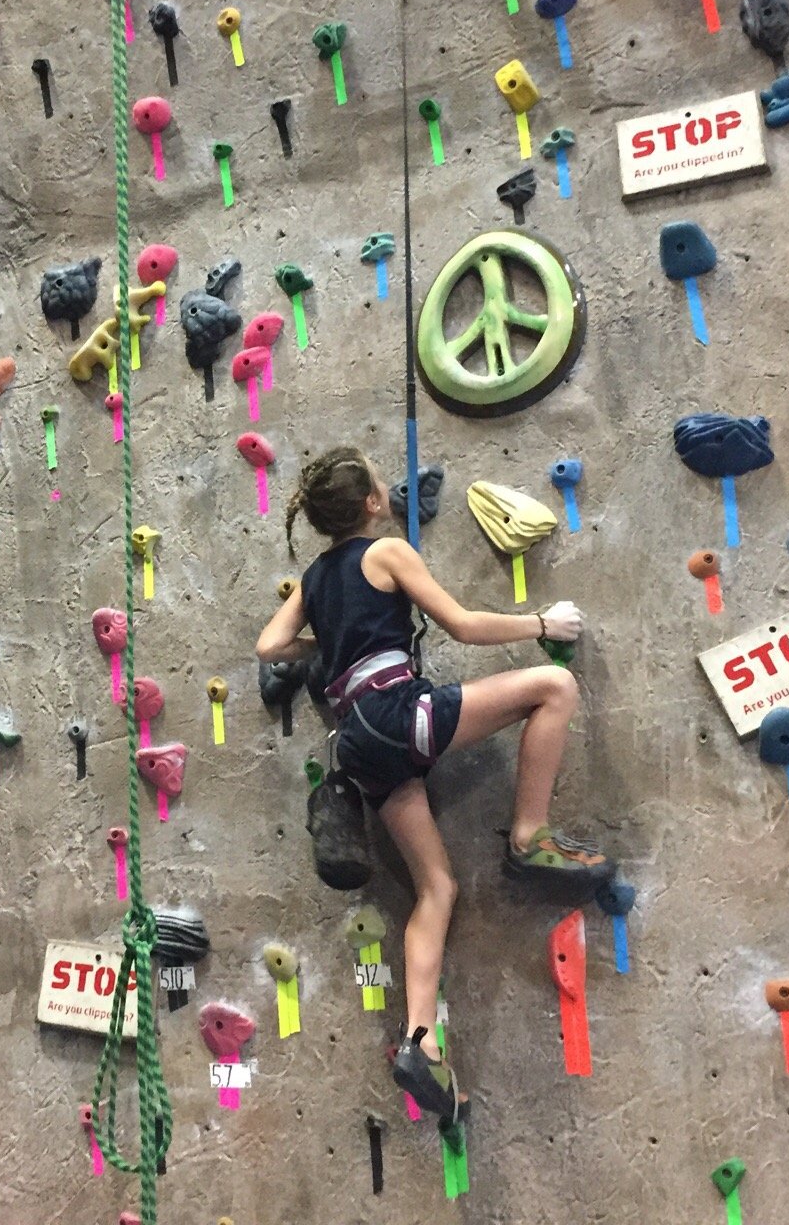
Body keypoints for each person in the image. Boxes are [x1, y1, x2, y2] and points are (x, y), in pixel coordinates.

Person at [255, 447, 610, 1125]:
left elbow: (270, 644)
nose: (388, 487)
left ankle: (420, 1044)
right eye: (377, 480)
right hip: (397, 711)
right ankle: (530, 837)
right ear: (368, 504)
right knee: (554, 685)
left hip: (359, 742)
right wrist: (543, 624)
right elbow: (463, 626)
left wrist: (324, 651)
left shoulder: (314, 577)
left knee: (435, 888)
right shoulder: (385, 553)